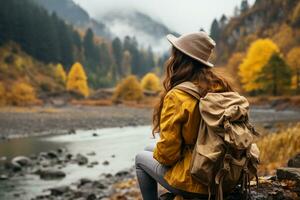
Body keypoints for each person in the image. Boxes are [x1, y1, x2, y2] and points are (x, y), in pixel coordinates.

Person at [135, 32, 234, 200]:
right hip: (225, 173)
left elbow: (168, 154)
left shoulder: (178, 96)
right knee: (149, 147)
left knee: (140, 158)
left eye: (174, 54)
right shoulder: (219, 86)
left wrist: (164, 155)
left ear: (180, 59)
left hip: (197, 181)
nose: (170, 59)